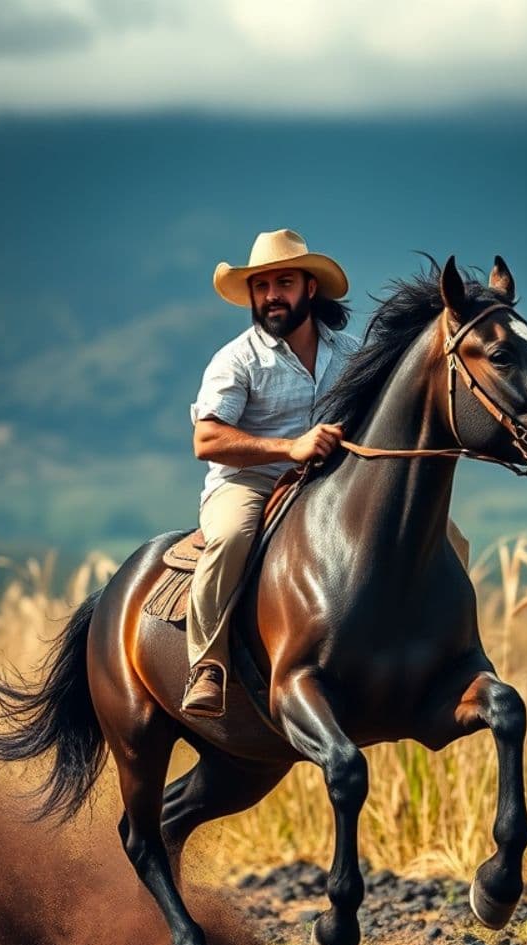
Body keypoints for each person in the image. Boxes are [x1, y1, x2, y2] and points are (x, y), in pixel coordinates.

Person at [183, 228, 358, 717]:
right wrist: (290, 447)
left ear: (310, 288)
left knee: (440, 532)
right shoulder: (237, 359)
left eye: (283, 282)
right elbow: (207, 440)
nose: (271, 296)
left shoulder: (350, 353)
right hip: (248, 481)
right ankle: (208, 665)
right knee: (232, 537)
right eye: (261, 287)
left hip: (331, 480)